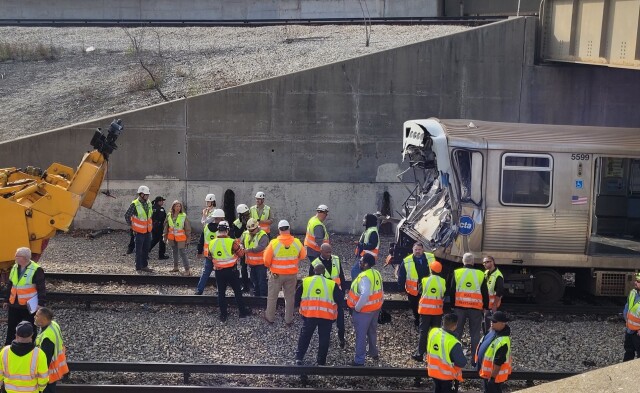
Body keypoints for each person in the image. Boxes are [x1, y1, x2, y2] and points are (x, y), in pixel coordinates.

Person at [295, 264, 340, 366]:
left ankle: (299, 357)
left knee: (305, 336)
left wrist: (297, 307)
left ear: (314, 271)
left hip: (309, 315)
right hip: (326, 316)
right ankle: (321, 361)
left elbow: (297, 296)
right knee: (324, 339)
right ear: (324, 273)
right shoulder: (332, 284)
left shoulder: (305, 281)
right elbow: (340, 300)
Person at [263, 220, 306, 325]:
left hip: (276, 275)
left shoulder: (274, 243)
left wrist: (271, 266)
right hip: (291, 275)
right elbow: (303, 255)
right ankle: (288, 319)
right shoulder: (296, 242)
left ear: (279, 230)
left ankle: (270, 317)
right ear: (289, 229)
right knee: (290, 297)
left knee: (272, 297)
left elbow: (266, 261)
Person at [449, 252, 489, 361]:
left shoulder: (457, 272)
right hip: (475, 308)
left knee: (457, 332)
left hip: (459, 308)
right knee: (475, 333)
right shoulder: (480, 274)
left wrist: (452, 305)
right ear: (473, 262)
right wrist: (485, 306)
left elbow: (452, 291)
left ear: (463, 261)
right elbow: (485, 292)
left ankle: (455, 357)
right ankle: (474, 358)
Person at [208, 221, 251, 321]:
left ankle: (223, 315)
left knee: (221, 293)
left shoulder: (212, 243)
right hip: (232, 271)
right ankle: (242, 312)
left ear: (218, 230)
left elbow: (210, 256)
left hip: (219, 272)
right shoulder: (232, 242)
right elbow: (241, 254)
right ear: (227, 230)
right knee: (237, 291)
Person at [346, 253, 383, 366]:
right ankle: (373, 352)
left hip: (363, 311)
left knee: (361, 335)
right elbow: (381, 290)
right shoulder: (376, 273)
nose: (359, 263)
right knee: (372, 331)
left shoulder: (364, 277)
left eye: (361, 261)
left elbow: (365, 294)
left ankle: (359, 360)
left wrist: (357, 308)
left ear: (366, 264)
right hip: (375, 309)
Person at [4, 247, 46, 345]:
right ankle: (9, 346)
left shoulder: (36, 269)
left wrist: (40, 303)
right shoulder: (15, 267)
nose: (15, 257)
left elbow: (41, 288)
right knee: (11, 327)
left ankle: (30, 345)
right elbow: (10, 284)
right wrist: (6, 300)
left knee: (30, 327)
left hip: (28, 306)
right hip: (14, 303)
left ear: (25, 258)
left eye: (17, 256)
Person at [310, 243, 347, 348]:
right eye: (327, 252)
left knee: (340, 320)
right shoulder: (315, 263)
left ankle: (341, 338)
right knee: (326, 321)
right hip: (324, 298)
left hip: (337, 295)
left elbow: (341, 276)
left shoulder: (336, 259)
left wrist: (343, 291)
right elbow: (311, 281)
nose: (329, 254)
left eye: (330, 252)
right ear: (321, 251)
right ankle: (325, 339)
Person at [412, 260, 446, 362]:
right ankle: (434, 355)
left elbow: (420, 291)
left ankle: (420, 354)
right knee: (435, 333)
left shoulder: (425, 280)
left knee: (423, 332)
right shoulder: (443, 281)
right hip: (437, 312)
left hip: (425, 311)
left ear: (431, 270)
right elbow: (443, 293)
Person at [0, 321, 49, 393]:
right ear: (32, 335)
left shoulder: (4, 351)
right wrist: (41, 389)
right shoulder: (39, 354)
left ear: (16, 335)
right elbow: (43, 378)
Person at [427, 313, 466, 393]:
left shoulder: (433, 332)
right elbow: (461, 362)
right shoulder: (453, 342)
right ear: (455, 325)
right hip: (446, 376)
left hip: (433, 372)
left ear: (443, 322)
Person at [475, 311, 512, 393]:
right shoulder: (492, 331)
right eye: (491, 320)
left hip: (494, 378)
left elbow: (498, 362)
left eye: (494, 321)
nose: (491, 322)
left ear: (503, 323)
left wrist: (492, 378)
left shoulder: (503, 341)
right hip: (486, 374)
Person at [398, 242, 434, 327]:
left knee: (428, 306)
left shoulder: (430, 257)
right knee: (415, 306)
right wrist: (401, 288)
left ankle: (427, 321)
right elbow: (401, 275)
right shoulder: (407, 261)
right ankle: (418, 321)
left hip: (427, 288)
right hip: (414, 290)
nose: (418, 251)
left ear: (423, 250)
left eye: (419, 249)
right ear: (412, 250)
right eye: (416, 249)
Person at [34, 307, 69, 392]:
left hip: (49, 373)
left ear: (44, 319)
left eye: (37, 316)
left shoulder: (47, 338)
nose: (35, 317)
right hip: (56, 367)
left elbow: (45, 361)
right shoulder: (53, 324)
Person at [195, 208, 226, 295]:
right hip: (219, 256)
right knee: (219, 273)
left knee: (205, 272)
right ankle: (220, 291)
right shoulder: (223, 229)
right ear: (221, 218)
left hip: (208, 255)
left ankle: (199, 290)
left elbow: (201, 241)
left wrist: (199, 251)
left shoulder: (206, 228)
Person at [124, 185, 154, 272]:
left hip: (148, 231)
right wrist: (132, 226)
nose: (148, 196)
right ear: (141, 194)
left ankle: (144, 266)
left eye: (148, 195)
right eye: (146, 195)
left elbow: (150, 216)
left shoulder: (148, 203)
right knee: (139, 250)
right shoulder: (135, 204)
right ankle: (138, 267)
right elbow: (127, 215)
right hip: (139, 232)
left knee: (146, 249)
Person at [241, 218, 269, 296]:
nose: (251, 232)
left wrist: (249, 250)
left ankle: (263, 296)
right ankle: (257, 295)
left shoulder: (263, 235)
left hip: (261, 263)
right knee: (254, 280)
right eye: (249, 230)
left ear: (257, 227)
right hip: (251, 263)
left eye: (252, 230)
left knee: (261, 281)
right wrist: (242, 247)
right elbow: (241, 242)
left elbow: (261, 247)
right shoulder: (246, 233)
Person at [163, 200, 192, 276]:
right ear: (173, 207)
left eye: (179, 206)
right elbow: (166, 227)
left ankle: (187, 270)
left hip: (181, 238)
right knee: (174, 252)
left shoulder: (183, 215)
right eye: (176, 206)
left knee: (183, 253)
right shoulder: (169, 215)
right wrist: (165, 236)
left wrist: (188, 239)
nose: (178, 208)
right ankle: (175, 267)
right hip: (172, 238)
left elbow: (187, 228)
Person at [351, 213, 380, 279]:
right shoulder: (369, 230)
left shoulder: (372, 232)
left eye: (365, 219)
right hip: (365, 257)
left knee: (355, 271)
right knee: (362, 274)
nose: (363, 220)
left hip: (367, 257)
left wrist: (359, 244)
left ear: (369, 221)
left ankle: (357, 287)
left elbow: (373, 245)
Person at [232, 204, 251, 292]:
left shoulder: (251, 221)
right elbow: (237, 234)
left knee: (253, 268)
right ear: (240, 215)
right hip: (240, 249)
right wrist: (243, 225)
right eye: (245, 215)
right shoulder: (236, 223)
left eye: (248, 214)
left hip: (250, 247)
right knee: (243, 268)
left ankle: (252, 285)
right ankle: (245, 286)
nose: (247, 216)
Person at [483, 255, 504, 333]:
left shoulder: (498, 275)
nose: (485, 264)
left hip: (493, 305)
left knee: (491, 324)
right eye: (484, 263)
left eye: (487, 262)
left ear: (492, 262)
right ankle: (487, 336)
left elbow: (500, 291)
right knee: (486, 322)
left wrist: (494, 305)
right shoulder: (486, 273)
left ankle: (490, 337)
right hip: (487, 304)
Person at [623, 273, 640, 361]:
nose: (635, 283)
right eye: (636, 280)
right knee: (628, 352)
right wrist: (627, 320)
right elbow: (627, 308)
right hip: (630, 330)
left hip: (638, 333)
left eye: (638, 281)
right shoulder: (633, 293)